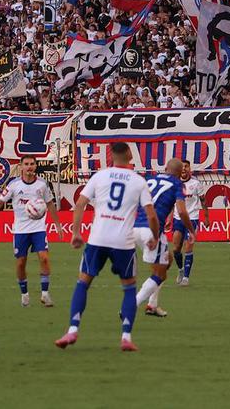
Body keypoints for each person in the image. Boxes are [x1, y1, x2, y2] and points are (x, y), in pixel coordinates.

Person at [55, 142, 159, 352]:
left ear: (111, 156)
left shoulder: (99, 176)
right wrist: (154, 237)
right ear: (130, 155)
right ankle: (126, 336)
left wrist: (76, 233)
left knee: (83, 283)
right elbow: (151, 214)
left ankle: (72, 329)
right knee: (129, 287)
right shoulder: (139, 181)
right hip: (123, 242)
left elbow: (80, 204)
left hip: (97, 239)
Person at [0, 155, 59, 308]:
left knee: (44, 258)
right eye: (26, 164)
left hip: (38, 229)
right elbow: (1, 202)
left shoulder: (42, 185)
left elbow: (50, 204)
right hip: (20, 230)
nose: (29, 167)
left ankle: (45, 294)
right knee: (21, 263)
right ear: (21, 166)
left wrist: (57, 224)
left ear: (35, 166)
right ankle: (24, 294)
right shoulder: (14, 185)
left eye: (32, 164)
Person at [133, 158, 193, 318]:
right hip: (151, 230)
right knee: (160, 274)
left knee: (168, 260)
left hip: (136, 227)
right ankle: (131, 306)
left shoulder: (150, 179)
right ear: (180, 174)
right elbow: (181, 212)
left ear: (165, 168)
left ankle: (152, 304)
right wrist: (191, 230)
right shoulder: (176, 184)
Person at [170, 160, 202, 286]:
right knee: (176, 249)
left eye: (186, 166)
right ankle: (181, 270)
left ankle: (186, 279)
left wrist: (206, 216)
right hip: (178, 219)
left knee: (188, 246)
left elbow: (203, 200)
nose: (184, 169)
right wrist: (169, 217)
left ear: (189, 169)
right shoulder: (175, 184)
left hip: (192, 218)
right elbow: (172, 202)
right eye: (182, 167)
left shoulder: (196, 183)